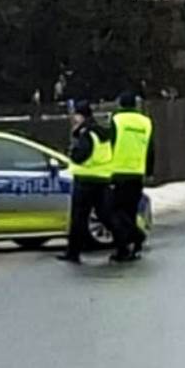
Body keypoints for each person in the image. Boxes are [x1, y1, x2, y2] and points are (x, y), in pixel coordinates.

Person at [59, 101, 114, 264]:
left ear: (81, 115)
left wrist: (72, 152)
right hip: (102, 178)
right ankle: (126, 241)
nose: (73, 118)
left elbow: (81, 155)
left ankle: (73, 253)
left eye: (75, 115)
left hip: (85, 180)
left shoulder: (86, 132)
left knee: (78, 218)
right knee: (105, 215)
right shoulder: (100, 131)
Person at [108, 91, 154, 260]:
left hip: (118, 172)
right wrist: (148, 171)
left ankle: (131, 241)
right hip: (137, 172)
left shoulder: (116, 120)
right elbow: (150, 149)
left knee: (115, 212)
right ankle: (133, 247)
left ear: (120, 104)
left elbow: (110, 144)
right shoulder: (145, 122)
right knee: (130, 211)